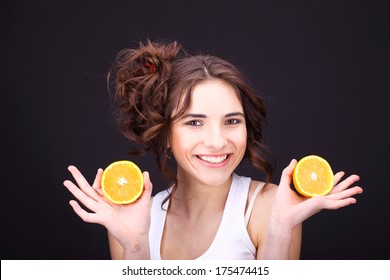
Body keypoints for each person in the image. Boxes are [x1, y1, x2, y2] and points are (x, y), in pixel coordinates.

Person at [63, 40, 363, 260]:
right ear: (165, 133)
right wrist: (136, 247)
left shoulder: (269, 209)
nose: (218, 141)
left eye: (232, 121)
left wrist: (281, 229)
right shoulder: (131, 219)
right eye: (195, 122)